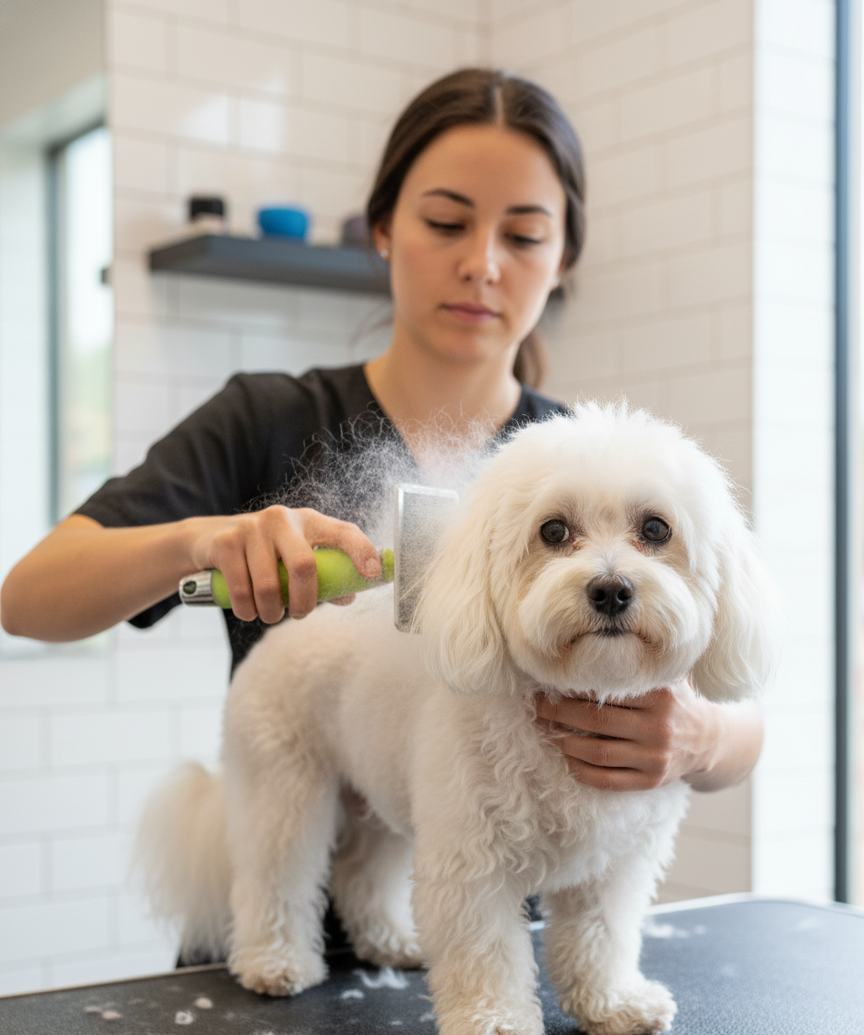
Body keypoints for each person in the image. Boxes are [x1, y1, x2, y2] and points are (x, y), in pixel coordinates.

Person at [1, 67, 763, 802]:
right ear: (384, 231)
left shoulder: (591, 464)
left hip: (500, 918)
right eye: (445, 223)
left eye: (525, 236)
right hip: (282, 907)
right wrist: (199, 543)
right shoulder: (269, 418)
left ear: (563, 259)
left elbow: (742, 709)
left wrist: (703, 741)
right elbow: (28, 598)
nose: (481, 264)